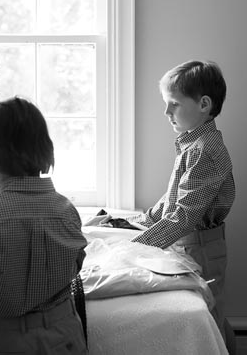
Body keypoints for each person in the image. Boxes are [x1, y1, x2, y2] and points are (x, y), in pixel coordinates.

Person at [88, 60, 235, 334]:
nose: (166, 111)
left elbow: (183, 217)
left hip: (200, 246)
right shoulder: (193, 144)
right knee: (211, 315)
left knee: (210, 319)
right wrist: (135, 221)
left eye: (174, 104)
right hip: (191, 241)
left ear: (204, 104)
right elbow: (174, 198)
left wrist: (133, 247)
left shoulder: (204, 150)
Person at [0, 96, 88, 355]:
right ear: (45, 147)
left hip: (11, 337)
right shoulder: (66, 209)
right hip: (66, 327)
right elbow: (75, 264)